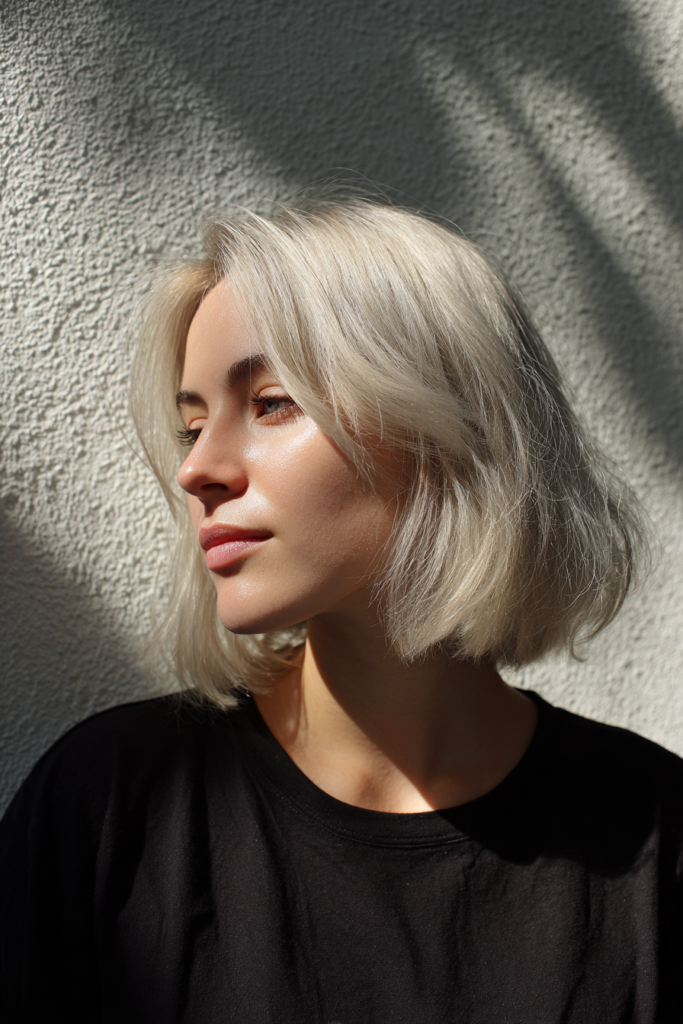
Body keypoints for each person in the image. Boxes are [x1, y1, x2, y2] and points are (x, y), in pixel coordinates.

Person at [1, 194, 681, 1024]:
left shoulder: (655, 837)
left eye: (271, 402)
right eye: (191, 427)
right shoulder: (111, 804)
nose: (196, 470)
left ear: (451, 428)